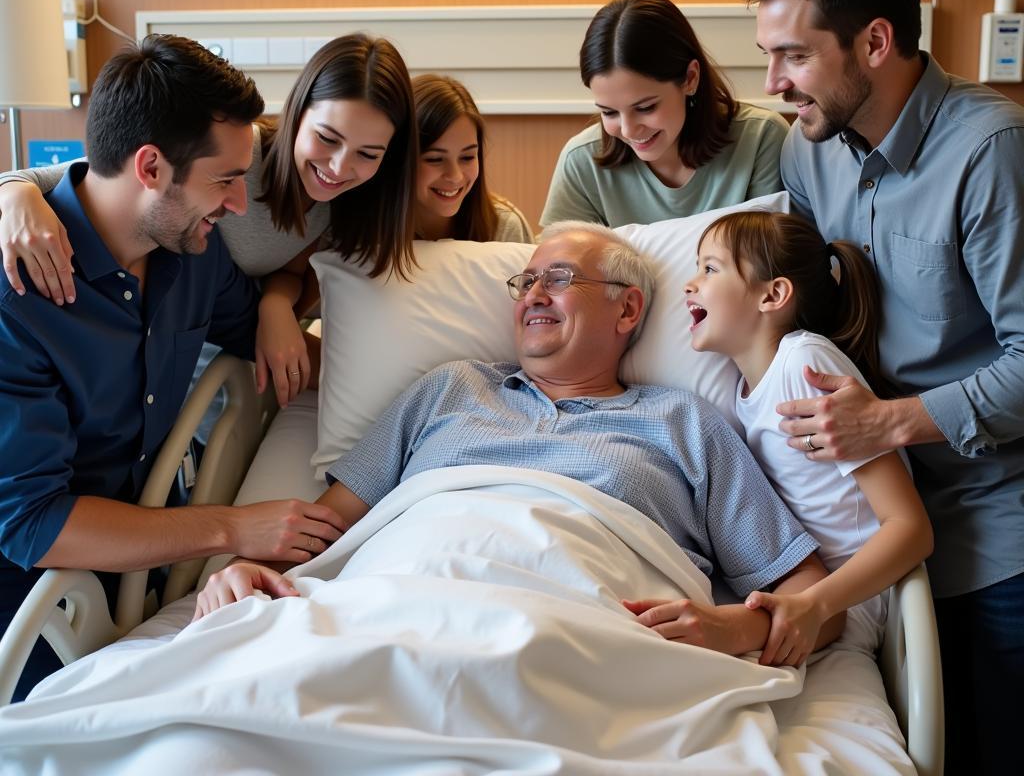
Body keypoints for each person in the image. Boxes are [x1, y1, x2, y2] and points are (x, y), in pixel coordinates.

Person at [196, 222, 843, 669]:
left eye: (558, 279)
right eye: (524, 281)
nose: (532, 294)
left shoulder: (685, 421)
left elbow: (818, 602)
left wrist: (737, 628)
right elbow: (327, 528)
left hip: (586, 633)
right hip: (389, 609)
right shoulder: (447, 389)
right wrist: (252, 573)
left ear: (626, 311)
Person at [741, 0, 1024, 773]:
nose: (774, 82)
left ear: (874, 40)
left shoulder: (990, 152)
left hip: (988, 529)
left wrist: (890, 425)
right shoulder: (809, 151)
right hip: (863, 526)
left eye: (792, 55)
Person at [0, 36, 347, 702]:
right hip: (30, 582)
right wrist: (232, 527)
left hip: (145, 548)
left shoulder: (192, 255)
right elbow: (33, 523)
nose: (240, 206)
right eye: (224, 181)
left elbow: (272, 348)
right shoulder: (20, 299)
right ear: (151, 167)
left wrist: (418, 394)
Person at [0, 33, 418, 408]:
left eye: (368, 154)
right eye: (327, 138)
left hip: (217, 331)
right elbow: (108, 172)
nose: (340, 166)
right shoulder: (236, 152)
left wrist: (276, 306)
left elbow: (289, 275)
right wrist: (16, 191)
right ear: (298, 116)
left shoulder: (350, 202)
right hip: (180, 345)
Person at [683, 209, 932, 659]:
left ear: (773, 294)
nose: (690, 283)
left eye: (709, 268)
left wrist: (813, 602)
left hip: (849, 599)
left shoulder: (805, 365)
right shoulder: (741, 392)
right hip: (811, 589)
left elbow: (910, 529)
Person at [539, 0, 789, 228]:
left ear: (690, 78)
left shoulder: (761, 138)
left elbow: (769, 260)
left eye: (645, 107)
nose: (628, 130)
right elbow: (559, 266)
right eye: (608, 112)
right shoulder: (581, 160)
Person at [412, 74, 533, 243]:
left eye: (467, 157)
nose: (455, 176)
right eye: (435, 159)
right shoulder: (368, 228)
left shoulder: (503, 227)